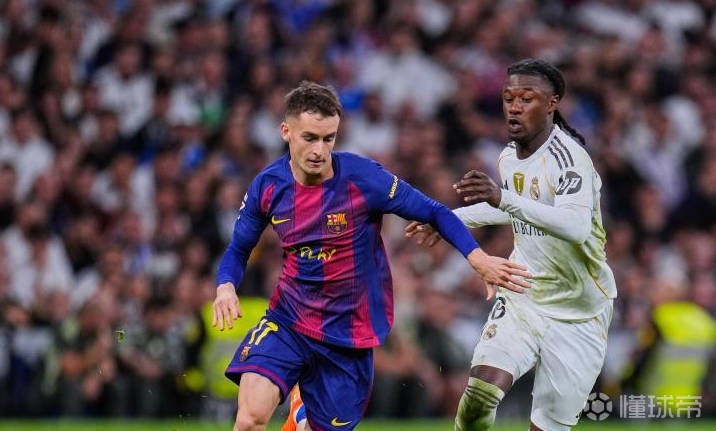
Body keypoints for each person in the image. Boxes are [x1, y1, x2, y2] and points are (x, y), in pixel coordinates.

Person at [212, 81, 532, 431]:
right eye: (310, 138)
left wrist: (478, 258)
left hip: (348, 337)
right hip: (288, 321)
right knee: (249, 420)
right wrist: (226, 286)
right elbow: (238, 248)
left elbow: (434, 211)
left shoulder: (363, 178)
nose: (320, 150)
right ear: (286, 131)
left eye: (329, 138)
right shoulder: (268, 185)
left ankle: (302, 411)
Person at [406, 58, 617, 430]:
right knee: (480, 394)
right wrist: (449, 219)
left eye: (527, 98)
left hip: (580, 312)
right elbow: (516, 210)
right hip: (525, 294)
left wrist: (502, 197)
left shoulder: (570, 160)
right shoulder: (508, 158)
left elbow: (574, 226)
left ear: (552, 103)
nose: (514, 107)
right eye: (508, 98)